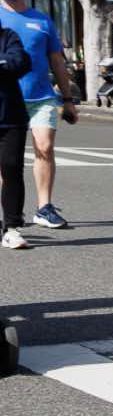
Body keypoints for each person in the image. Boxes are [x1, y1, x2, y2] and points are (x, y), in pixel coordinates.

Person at [0, 0, 79, 231]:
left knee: (45, 147)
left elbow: (56, 61)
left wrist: (68, 99)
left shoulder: (42, 21)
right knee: (7, 161)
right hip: (6, 99)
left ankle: (44, 207)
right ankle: (9, 213)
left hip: (40, 97)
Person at [0, 20, 29, 250]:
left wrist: (4, 63)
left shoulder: (8, 37)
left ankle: (11, 228)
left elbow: (18, 62)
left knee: (11, 169)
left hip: (10, 117)